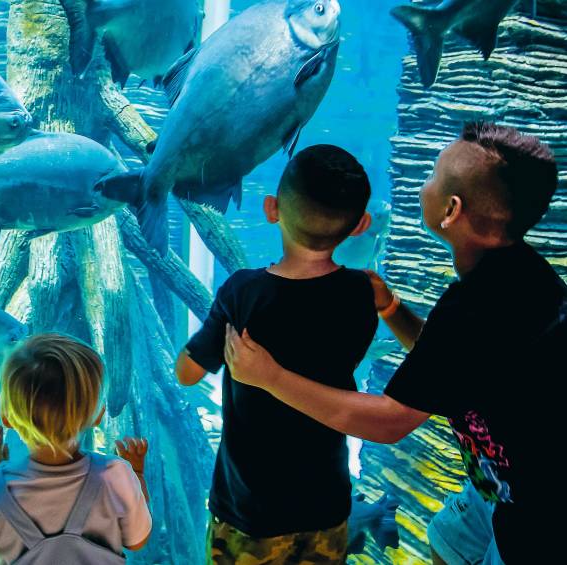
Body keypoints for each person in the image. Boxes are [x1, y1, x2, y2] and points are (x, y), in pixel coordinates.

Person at [224, 122, 565, 565]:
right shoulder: (516, 274)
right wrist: (391, 308)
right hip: (501, 482)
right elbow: (450, 361)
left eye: (431, 178)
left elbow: (389, 421)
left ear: (451, 210)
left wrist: (270, 377)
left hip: (544, 512)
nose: (424, 184)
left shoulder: (477, 306)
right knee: (447, 544)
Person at [176, 145, 379, 564]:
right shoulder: (361, 292)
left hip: (251, 513)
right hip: (325, 505)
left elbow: (188, 373)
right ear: (361, 225)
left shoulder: (243, 292)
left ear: (272, 209)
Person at [0, 333, 152, 564]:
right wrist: (137, 475)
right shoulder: (116, 474)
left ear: (6, 416)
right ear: (99, 414)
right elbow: (137, 540)